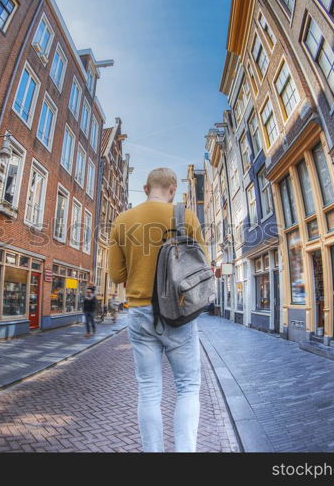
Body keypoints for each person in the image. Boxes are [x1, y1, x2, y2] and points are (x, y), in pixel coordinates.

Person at [108, 167, 207, 453]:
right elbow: (202, 265)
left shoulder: (123, 220)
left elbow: (116, 274)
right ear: (173, 189)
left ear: (145, 187)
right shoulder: (186, 216)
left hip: (139, 312)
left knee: (149, 392)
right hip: (179, 313)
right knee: (188, 386)